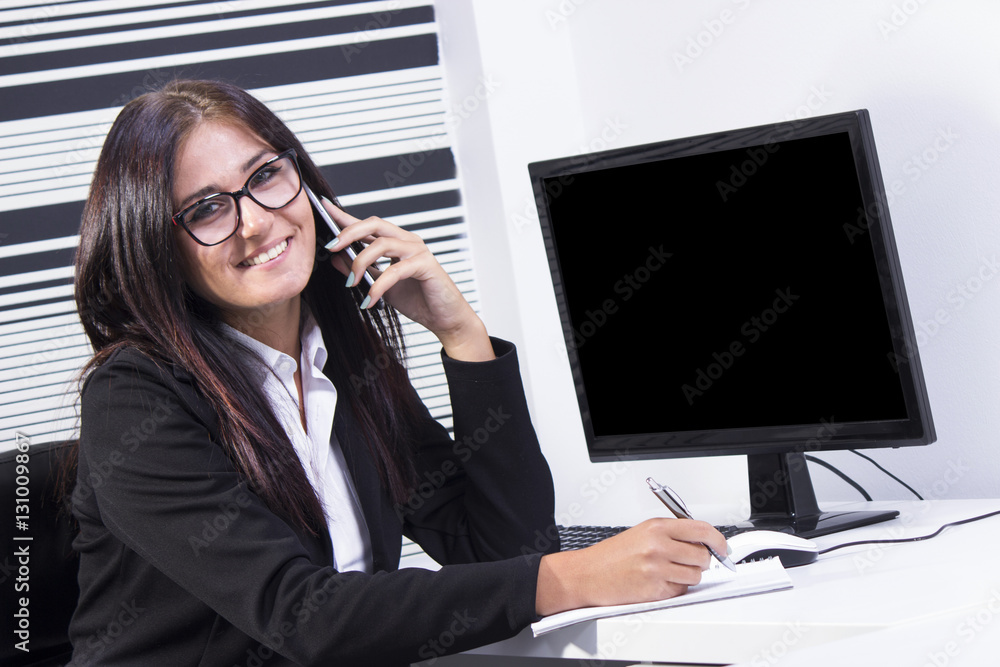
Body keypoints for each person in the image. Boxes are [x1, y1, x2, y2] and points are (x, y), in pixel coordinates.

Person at [66, 79, 727, 666]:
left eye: (265, 175)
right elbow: (303, 615)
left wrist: (461, 334)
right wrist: (573, 577)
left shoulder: (344, 364)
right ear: (159, 248)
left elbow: (503, 549)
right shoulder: (133, 396)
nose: (256, 220)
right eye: (207, 208)